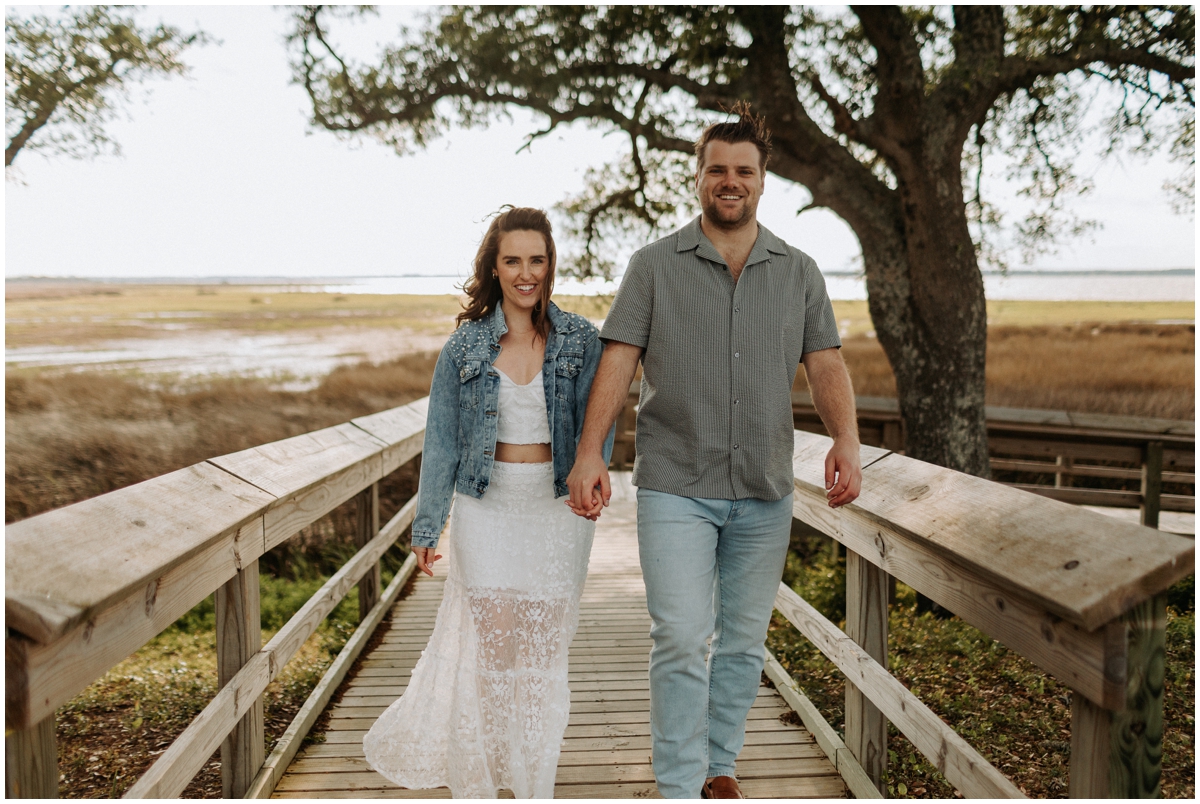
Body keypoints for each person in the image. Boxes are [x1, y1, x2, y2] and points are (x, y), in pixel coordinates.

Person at [565, 105, 863, 799]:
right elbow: (618, 361)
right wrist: (590, 453)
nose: (731, 182)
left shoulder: (799, 271)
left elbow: (825, 365)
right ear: (698, 178)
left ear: (763, 181)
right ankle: (676, 784)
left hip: (764, 486)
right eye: (718, 170)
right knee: (679, 635)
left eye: (744, 172)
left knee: (742, 643)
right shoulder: (653, 266)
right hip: (676, 483)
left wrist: (847, 440)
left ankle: (719, 766)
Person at [365, 206, 613, 799]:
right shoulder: (465, 347)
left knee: (544, 657)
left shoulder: (580, 337)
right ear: (494, 267)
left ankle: (533, 782)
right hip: (486, 508)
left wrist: (595, 471)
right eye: (512, 261)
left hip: (557, 512)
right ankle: (496, 780)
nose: (525, 273)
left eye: (537, 259)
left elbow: (597, 427)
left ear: (550, 265)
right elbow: (442, 441)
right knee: (497, 653)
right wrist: (428, 526)